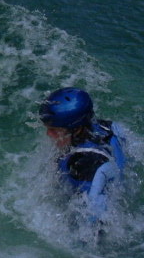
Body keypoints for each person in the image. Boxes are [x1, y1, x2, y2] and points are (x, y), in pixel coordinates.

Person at [38, 87, 127, 224]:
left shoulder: (82, 166)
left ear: (77, 129)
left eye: (55, 131)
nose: (48, 134)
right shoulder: (107, 127)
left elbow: (95, 219)